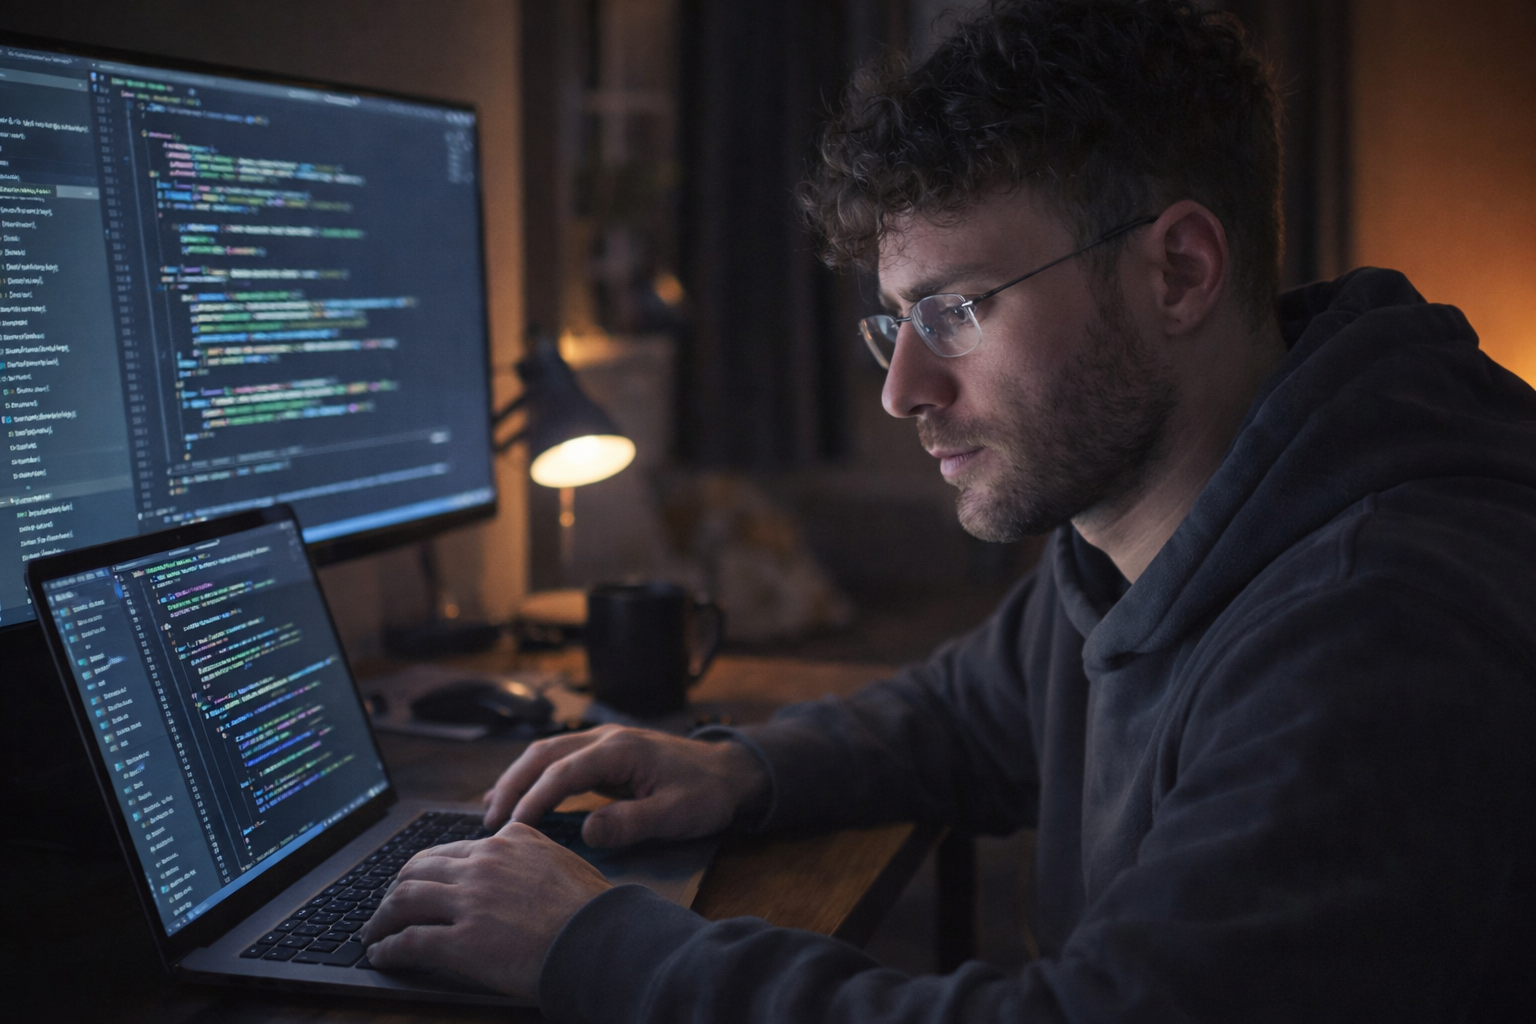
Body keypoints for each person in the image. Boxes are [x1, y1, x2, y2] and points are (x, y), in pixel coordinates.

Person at [359, 1, 1536, 1019]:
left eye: (960, 309)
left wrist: (590, 944)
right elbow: (968, 713)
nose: (901, 390)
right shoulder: (1145, 529)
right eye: (894, 320)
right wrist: (741, 769)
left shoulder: (1381, 628)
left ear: (1178, 270)